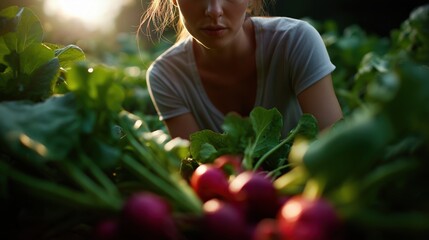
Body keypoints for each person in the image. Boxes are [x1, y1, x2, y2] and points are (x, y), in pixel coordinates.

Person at [142, 0, 343, 140]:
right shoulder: (166, 76)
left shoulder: (295, 41)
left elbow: (334, 148)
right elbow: (199, 172)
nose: (214, 10)